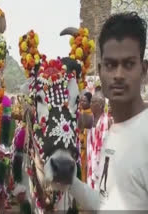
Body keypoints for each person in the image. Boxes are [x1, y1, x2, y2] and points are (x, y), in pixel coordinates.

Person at [69, 12, 148, 211]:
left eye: (128, 64)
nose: (119, 75)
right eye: (111, 65)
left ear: (144, 70)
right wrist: (70, 182)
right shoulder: (113, 131)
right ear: (100, 70)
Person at [87, 91, 113, 189]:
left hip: (102, 162)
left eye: (93, 102)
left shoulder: (108, 121)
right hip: (91, 162)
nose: (90, 104)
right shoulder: (90, 120)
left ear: (101, 105)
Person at [77, 91, 93, 183]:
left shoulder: (91, 115)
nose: (82, 103)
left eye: (85, 101)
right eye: (81, 101)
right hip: (80, 147)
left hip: (87, 147)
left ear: (90, 103)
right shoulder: (79, 113)